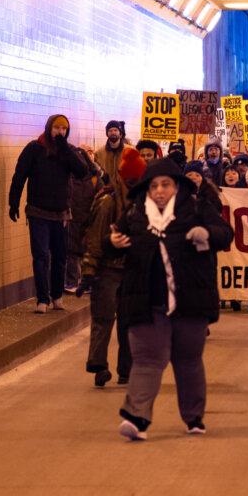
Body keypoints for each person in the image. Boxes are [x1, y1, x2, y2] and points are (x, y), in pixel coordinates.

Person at [110, 157, 234, 440]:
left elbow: (225, 234)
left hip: (190, 301)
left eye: (165, 185)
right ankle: (136, 418)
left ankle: (194, 417)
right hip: (147, 302)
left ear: (177, 186)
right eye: (154, 186)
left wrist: (207, 233)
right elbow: (115, 242)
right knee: (146, 359)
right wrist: (113, 243)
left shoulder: (197, 208)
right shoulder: (135, 213)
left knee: (188, 360)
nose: (159, 191)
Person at [8, 114, 89, 313]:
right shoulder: (34, 149)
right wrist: (13, 203)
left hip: (61, 214)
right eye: (56, 128)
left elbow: (82, 171)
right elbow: (19, 176)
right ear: (48, 128)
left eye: (64, 129)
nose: (60, 132)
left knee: (60, 257)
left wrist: (65, 149)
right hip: (38, 212)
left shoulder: (68, 151)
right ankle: (42, 299)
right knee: (41, 256)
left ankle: (57, 296)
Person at [82, 147, 145, 387]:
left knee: (128, 321)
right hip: (108, 268)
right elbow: (95, 238)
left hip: (132, 270)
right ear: (121, 177)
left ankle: (126, 370)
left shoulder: (144, 204)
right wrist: (89, 271)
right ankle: (98, 365)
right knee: (104, 317)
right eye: (130, 180)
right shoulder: (107, 202)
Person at [67, 146, 102, 297]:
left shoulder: (95, 178)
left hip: (88, 220)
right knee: (72, 251)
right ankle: (73, 281)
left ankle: (85, 281)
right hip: (73, 218)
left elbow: (101, 198)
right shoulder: (69, 176)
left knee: (86, 251)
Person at [96, 120, 131, 191]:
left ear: (120, 133)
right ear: (107, 133)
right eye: (110, 130)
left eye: (115, 130)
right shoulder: (99, 153)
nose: (113, 132)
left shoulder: (130, 150)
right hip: (107, 191)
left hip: (125, 191)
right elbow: (98, 173)